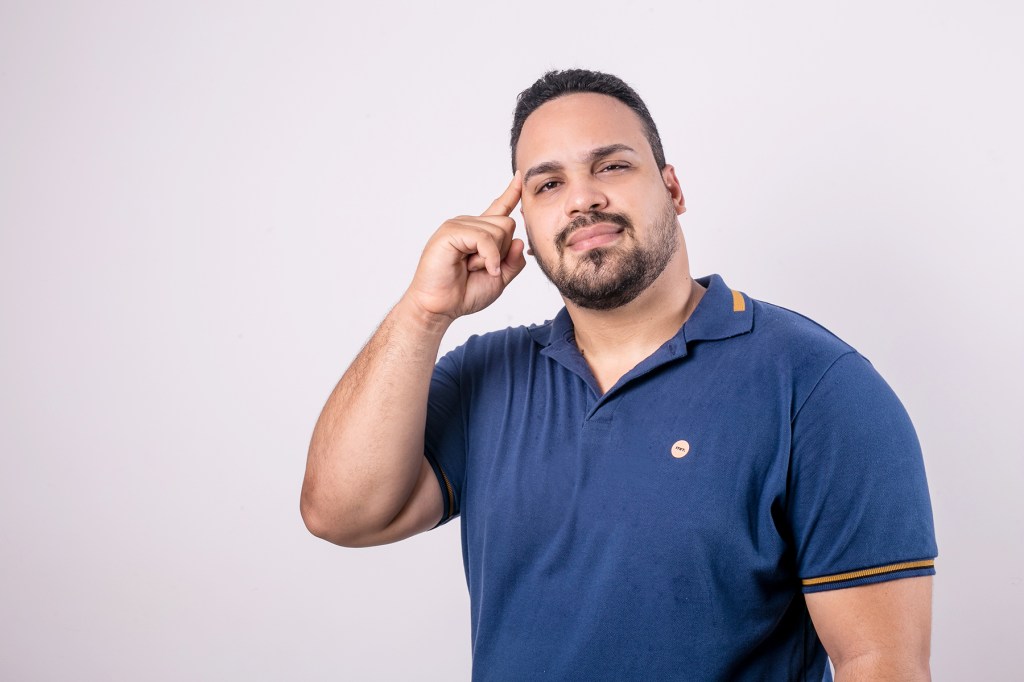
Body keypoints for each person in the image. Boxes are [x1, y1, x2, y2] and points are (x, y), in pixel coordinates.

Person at [301, 69, 937, 681]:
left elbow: (880, 664)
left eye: (611, 166)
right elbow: (340, 514)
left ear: (673, 190)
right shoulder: (485, 376)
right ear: (524, 226)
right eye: (548, 184)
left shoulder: (817, 384)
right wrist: (424, 313)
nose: (582, 198)